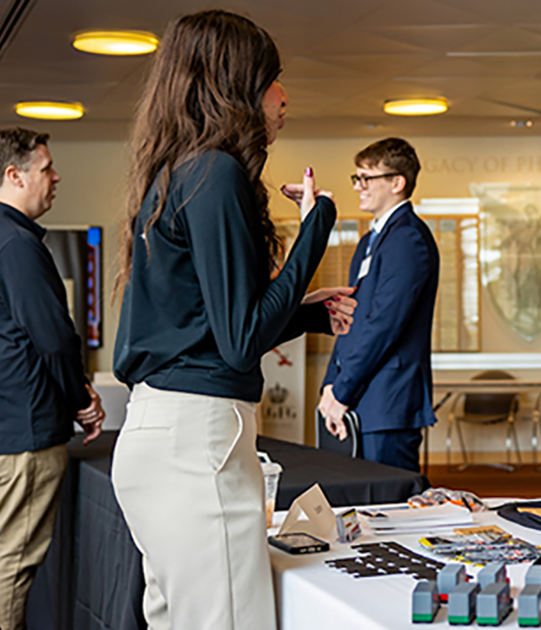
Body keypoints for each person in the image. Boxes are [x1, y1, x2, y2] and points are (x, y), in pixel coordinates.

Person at [110, 11, 354, 629]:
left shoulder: (171, 175)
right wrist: (316, 225)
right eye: (272, 80)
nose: (283, 97)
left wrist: (303, 315)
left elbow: (212, 327)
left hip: (157, 436)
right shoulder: (215, 172)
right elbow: (241, 340)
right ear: (237, 84)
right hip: (198, 444)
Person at [0, 127, 105, 630]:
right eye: (47, 168)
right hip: (23, 440)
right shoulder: (16, 245)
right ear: (14, 175)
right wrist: (81, 399)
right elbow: (54, 338)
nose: (57, 177)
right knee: (9, 566)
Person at [318, 138, 440, 472]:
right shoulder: (370, 241)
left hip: (388, 402)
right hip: (360, 397)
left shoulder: (408, 239)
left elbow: (384, 324)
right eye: (356, 178)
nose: (358, 187)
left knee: (390, 514)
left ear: (397, 183)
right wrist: (331, 385)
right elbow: (351, 319)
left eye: (366, 178)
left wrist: (342, 391)